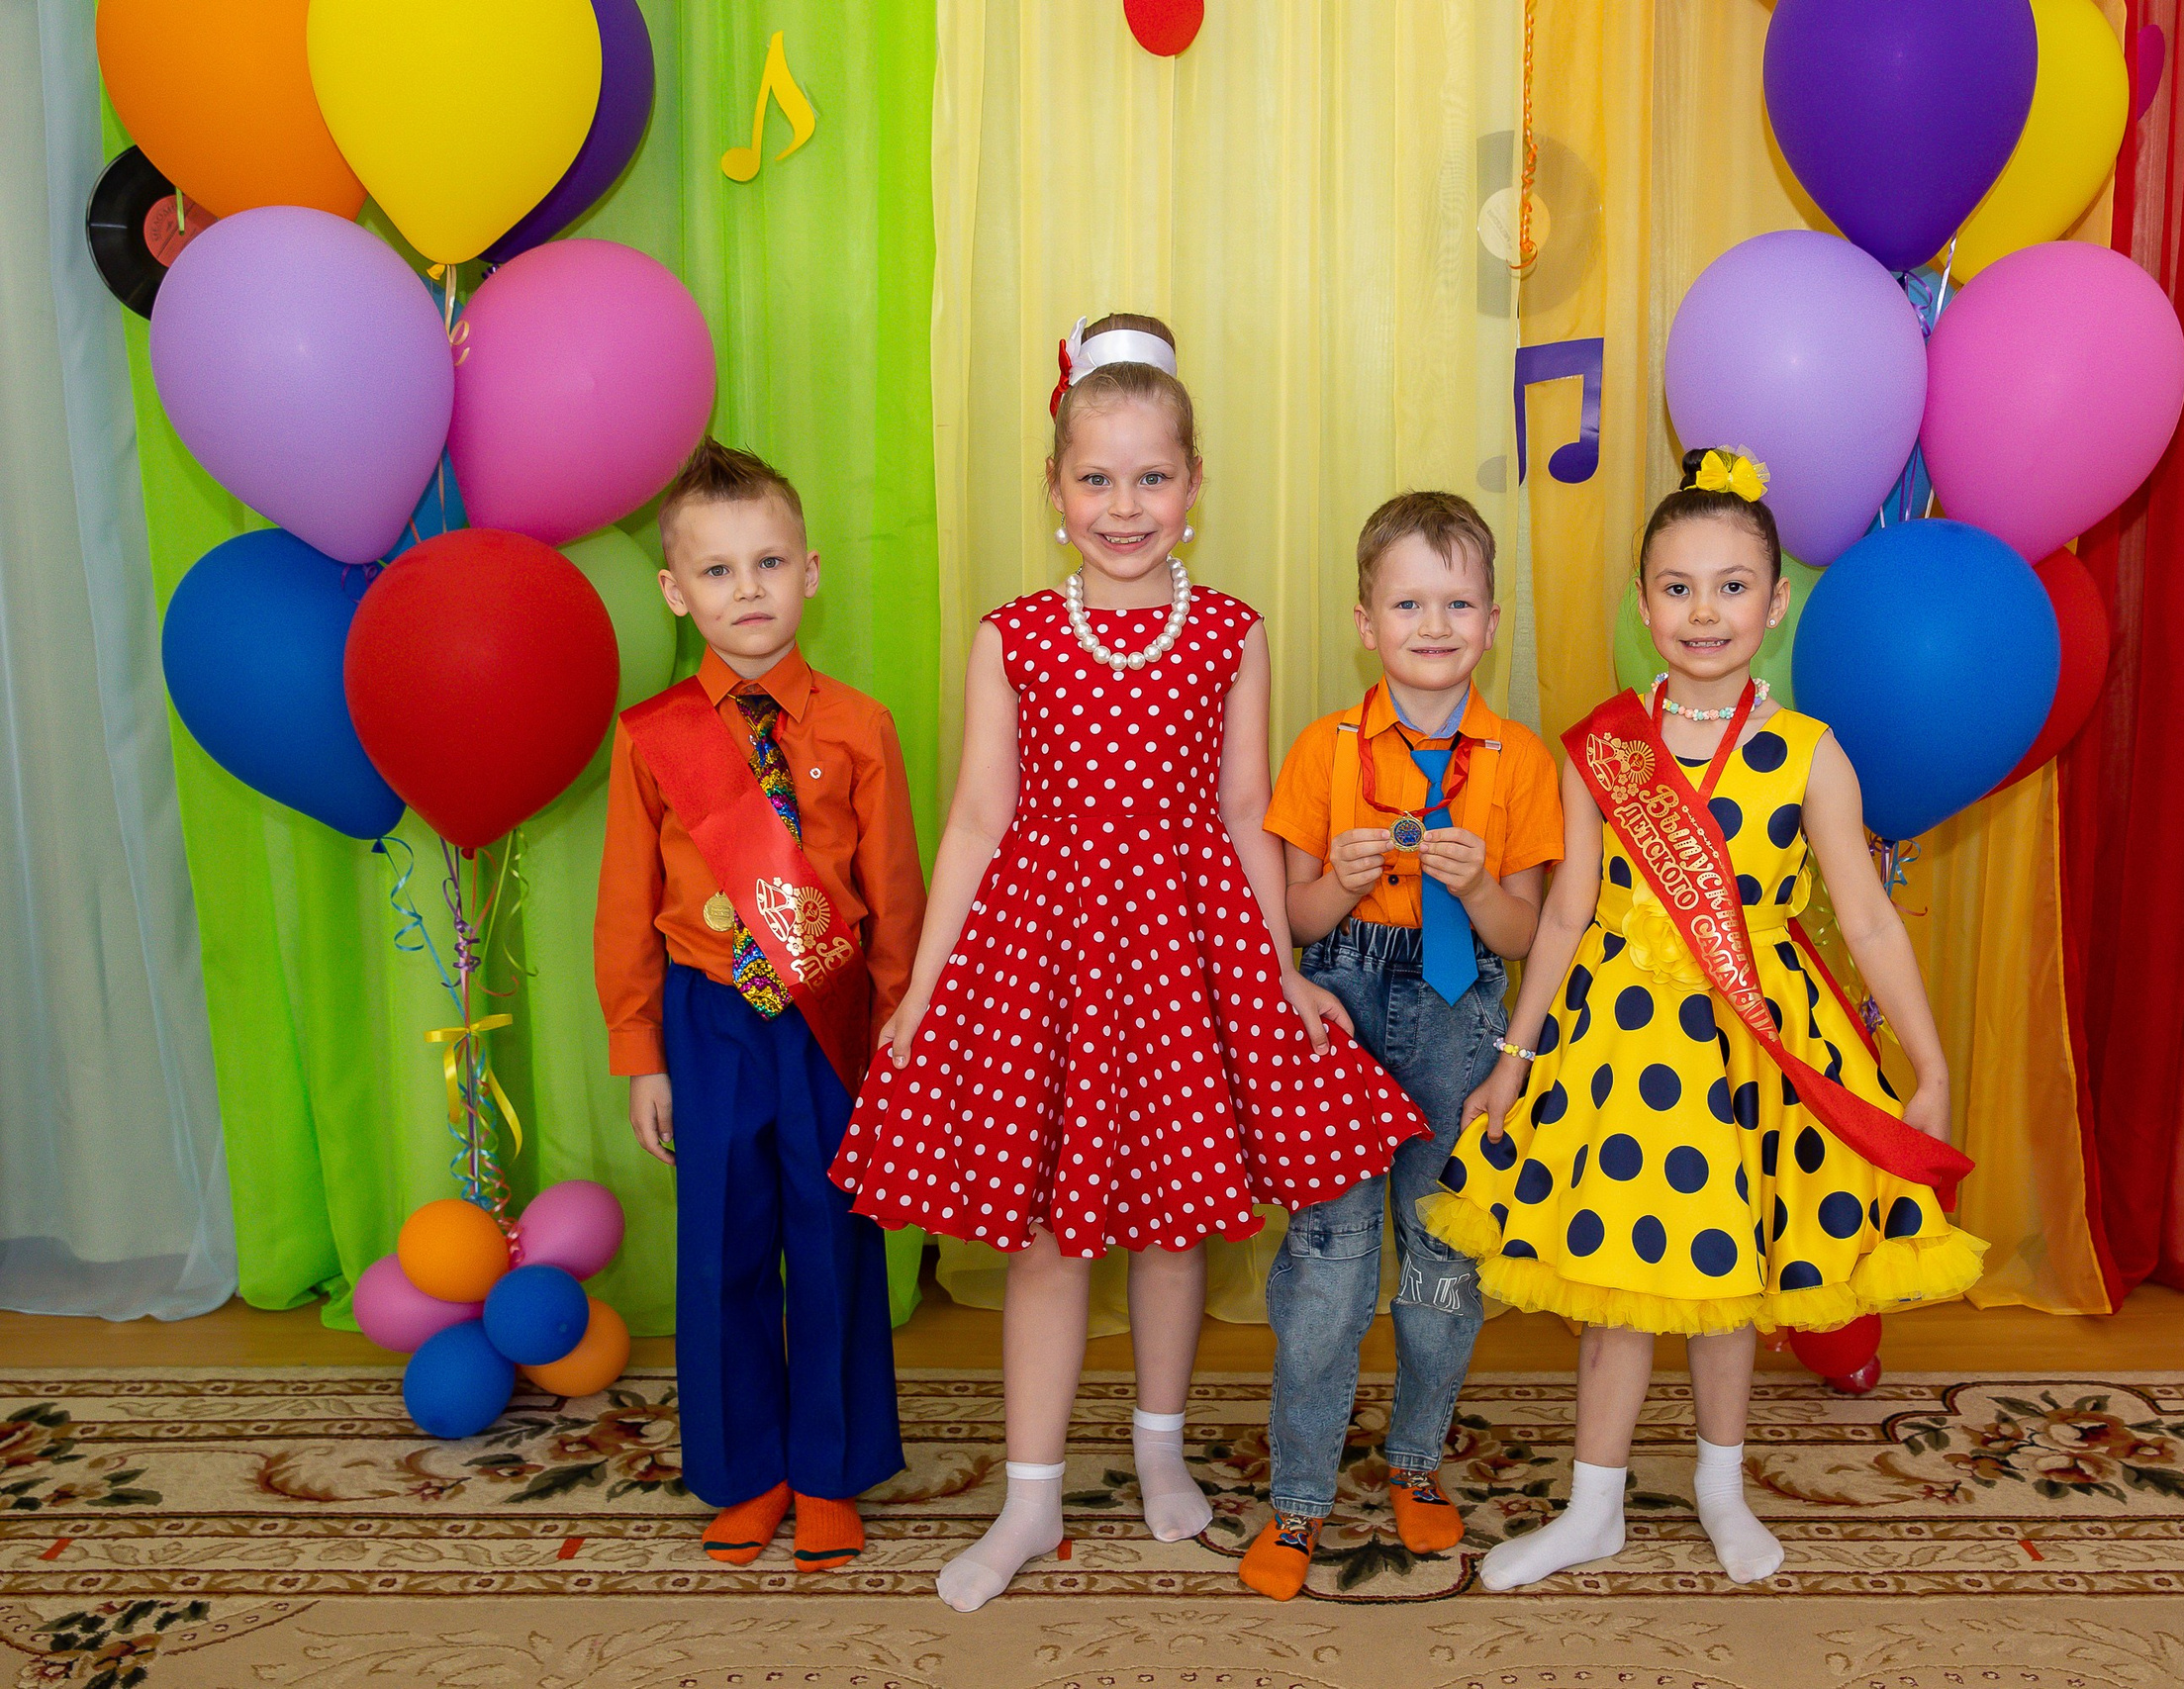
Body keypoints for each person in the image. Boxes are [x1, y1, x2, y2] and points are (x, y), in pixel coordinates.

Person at [827, 314, 1424, 1613]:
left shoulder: (1229, 632)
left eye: (1151, 475)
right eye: (1096, 477)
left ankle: (1159, 1445)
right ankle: (1031, 1491)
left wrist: (1275, 969)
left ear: (1193, 484)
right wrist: (924, 987)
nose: (1124, 503)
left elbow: (1242, 810)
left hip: (1181, 949)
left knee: (1170, 1221)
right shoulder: (1016, 635)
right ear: (1055, 489)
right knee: (1048, 1229)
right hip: (1040, 952)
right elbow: (980, 819)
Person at [1423, 448, 1986, 1591]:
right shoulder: (1603, 746)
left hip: (1752, 1056)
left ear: (1775, 604)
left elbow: (1868, 921)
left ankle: (1722, 1488)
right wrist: (1513, 1059)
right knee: (1616, 1291)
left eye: (1732, 586)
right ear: (1643, 605)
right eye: (1677, 586)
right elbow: (1569, 915)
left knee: (1732, 1285)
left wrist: (1923, 1063)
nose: (1704, 611)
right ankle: (1593, 1508)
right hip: (1618, 1054)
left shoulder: (1808, 756)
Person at [594, 438, 925, 1572]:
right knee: (723, 1245)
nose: (748, 591)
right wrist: (641, 1050)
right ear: (674, 592)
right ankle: (745, 1472)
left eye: (769, 562)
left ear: (811, 572)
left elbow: (896, 896)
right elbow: (625, 902)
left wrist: (898, 1029)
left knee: (833, 1240)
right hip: (710, 1023)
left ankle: (831, 1471)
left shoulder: (860, 727)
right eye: (720, 571)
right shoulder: (652, 740)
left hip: (831, 1026)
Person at [1236, 492, 1562, 1600]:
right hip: (1336, 1012)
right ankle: (1297, 1498)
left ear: (1492, 619)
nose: (1434, 623)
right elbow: (1293, 922)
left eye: (1457, 601)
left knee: (1439, 1265)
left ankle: (1415, 1462)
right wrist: (1342, 880)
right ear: (1366, 622)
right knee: (1329, 1270)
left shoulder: (1519, 762)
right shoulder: (1323, 752)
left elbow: (1529, 931)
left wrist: (1478, 891)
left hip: (1459, 1016)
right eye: (1409, 601)